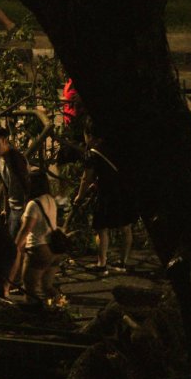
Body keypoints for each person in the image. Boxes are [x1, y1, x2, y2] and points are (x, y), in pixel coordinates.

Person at [74, 118, 135, 275]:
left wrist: (79, 196)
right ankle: (123, 263)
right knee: (126, 227)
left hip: (107, 194)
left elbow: (86, 178)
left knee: (101, 228)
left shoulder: (93, 153)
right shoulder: (116, 146)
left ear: (89, 135)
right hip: (124, 191)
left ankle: (102, 265)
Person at [11, 171, 66, 306]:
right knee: (46, 287)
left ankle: (35, 314)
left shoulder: (33, 204)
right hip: (54, 250)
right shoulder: (50, 199)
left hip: (39, 249)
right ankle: (60, 308)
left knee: (30, 288)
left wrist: (15, 246)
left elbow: (26, 229)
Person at [0, 126, 29, 239]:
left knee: (15, 244)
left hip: (21, 209)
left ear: (5, 140)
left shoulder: (15, 158)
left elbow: (27, 185)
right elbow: (5, 186)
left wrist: (26, 211)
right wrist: (6, 209)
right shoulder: (0, 158)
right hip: (13, 208)